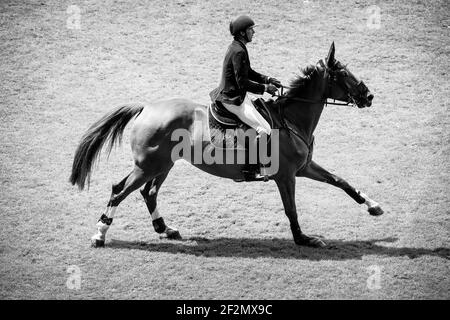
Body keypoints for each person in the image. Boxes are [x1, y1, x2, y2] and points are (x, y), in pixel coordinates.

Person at [210, 15, 282, 137]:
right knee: (265, 130)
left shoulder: (237, 46)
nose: (254, 32)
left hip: (234, 94)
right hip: (231, 99)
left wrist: (268, 79)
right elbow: (242, 83)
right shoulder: (239, 51)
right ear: (243, 33)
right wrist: (265, 88)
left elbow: (248, 72)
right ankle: (251, 157)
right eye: (250, 29)